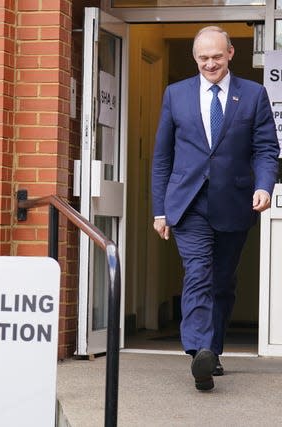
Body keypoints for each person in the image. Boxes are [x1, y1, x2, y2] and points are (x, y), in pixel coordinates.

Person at [151, 26, 280, 391]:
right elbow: (163, 157)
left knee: (222, 281)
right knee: (198, 273)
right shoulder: (175, 95)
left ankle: (213, 351)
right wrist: (160, 210)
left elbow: (266, 149)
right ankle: (199, 352)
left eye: (217, 57)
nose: (210, 64)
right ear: (196, 58)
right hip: (188, 203)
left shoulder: (253, 95)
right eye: (203, 58)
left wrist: (263, 186)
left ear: (230, 53)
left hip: (234, 202)